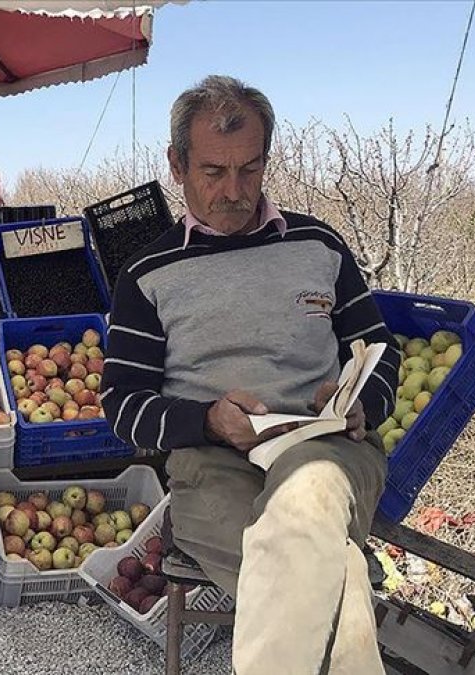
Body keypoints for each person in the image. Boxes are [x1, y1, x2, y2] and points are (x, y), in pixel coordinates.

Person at [101, 75, 402, 673]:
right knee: (311, 566)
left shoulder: (320, 245)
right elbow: (123, 404)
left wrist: (363, 398)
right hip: (210, 460)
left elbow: (379, 349)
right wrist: (207, 422)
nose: (233, 191)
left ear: (267, 160)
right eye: (213, 172)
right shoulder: (146, 273)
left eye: (250, 169)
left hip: (324, 444)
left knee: (304, 507)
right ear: (177, 165)